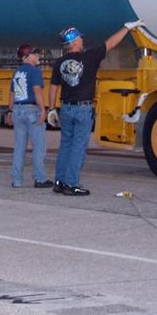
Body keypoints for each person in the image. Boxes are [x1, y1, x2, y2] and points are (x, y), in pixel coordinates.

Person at [48, 21, 141, 196]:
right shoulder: (88, 57)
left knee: (66, 145)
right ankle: (71, 184)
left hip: (66, 108)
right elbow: (111, 43)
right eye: (80, 38)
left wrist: (51, 109)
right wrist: (127, 28)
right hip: (82, 109)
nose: (82, 40)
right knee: (78, 147)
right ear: (74, 42)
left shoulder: (59, 63)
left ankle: (59, 181)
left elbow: (53, 87)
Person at [10, 44, 52, 188]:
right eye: (35, 54)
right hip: (31, 111)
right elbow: (37, 90)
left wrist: (10, 111)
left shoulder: (17, 72)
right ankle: (40, 178)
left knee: (19, 147)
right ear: (28, 57)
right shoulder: (35, 71)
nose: (38, 56)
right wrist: (43, 109)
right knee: (39, 147)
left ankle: (17, 180)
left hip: (17, 109)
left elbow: (12, 93)